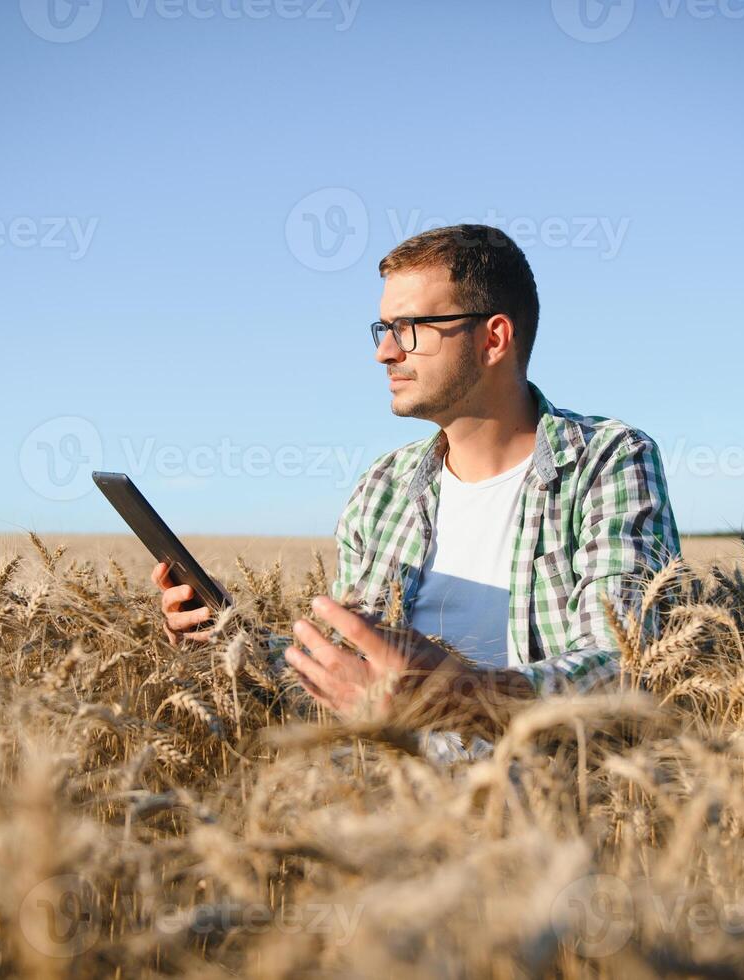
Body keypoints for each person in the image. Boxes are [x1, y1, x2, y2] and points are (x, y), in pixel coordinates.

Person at [155, 223, 679, 747]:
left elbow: (623, 663)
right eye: (382, 328)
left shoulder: (608, 460)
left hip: (551, 814)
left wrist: (466, 698)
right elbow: (348, 684)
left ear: (493, 338)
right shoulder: (383, 489)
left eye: (408, 328)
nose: (384, 352)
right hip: (391, 810)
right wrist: (229, 635)